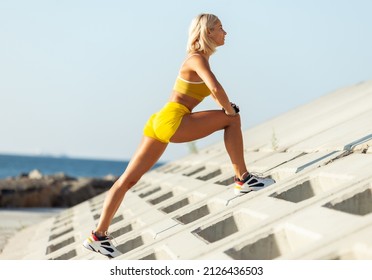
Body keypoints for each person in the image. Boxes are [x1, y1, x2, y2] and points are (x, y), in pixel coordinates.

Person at [83, 13, 275, 258]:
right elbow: (215, 88)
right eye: (220, 28)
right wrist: (229, 110)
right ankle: (243, 179)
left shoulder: (197, 59)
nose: (225, 32)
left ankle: (98, 236)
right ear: (207, 33)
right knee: (233, 120)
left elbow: (213, 93)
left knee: (127, 180)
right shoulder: (197, 59)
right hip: (174, 119)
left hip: (159, 121)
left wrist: (225, 105)